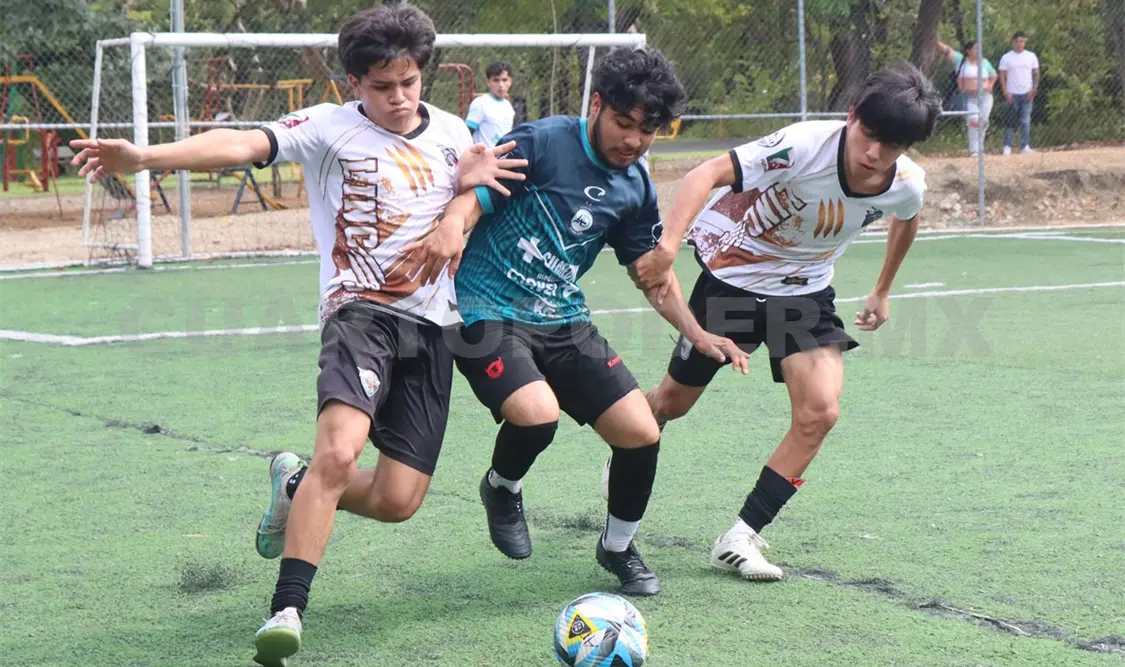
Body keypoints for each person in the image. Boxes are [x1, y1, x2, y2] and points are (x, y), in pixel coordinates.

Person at [71, 4, 526, 666]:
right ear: (352, 84)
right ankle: (287, 607)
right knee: (340, 453)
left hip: (433, 326)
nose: (398, 98)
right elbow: (240, 144)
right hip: (359, 314)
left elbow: (478, 190)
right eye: (380, 86)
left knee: (399, 500)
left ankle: (293, 485)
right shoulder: (326, 128)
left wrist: (461, 207)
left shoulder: (456, 133)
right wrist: (144, 156)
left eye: (408, 82)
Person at [408, 46, 748, 597]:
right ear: (596, 104)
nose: (633, 140)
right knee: (537, 414)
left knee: (641, 432)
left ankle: (617, 548)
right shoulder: (544, 142)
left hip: (562, 319)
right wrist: (454, 224)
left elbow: (653, 275)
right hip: (480, 308)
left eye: (648, 130)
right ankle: (502, 486)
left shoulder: (635, 187)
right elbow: (478, 195)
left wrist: (698, 332)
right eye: (623, 122)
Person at [625, 61, 942, 582]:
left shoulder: (905, 183)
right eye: (869, 135)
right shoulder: (802, 146)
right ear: (852, 115)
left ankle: (741, 536)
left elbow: (907, 220)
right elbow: (703, 175)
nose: (874, 154)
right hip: (735, 282)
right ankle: (631, 438)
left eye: (893, 146)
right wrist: (666, 249)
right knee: (672, 404)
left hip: (804, 294)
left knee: (820, 412)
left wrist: (882, 289)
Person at [937, 39, 997, 156]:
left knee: (983, 122)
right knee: (973, 122)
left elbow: (993, 74)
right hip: (970, 97)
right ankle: (973, 149)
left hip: (985, 96)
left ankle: (980, 149)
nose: (978, 51)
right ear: (969, 51)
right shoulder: (962, 61)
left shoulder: (985, 62)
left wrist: (990, 85)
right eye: (976, 48)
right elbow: (947, 50)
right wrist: (935, 39)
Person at [999, 31, 1040, 155]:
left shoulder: (1031, 56)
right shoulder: (1006, 57)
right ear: (1013, 42)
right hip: (1012, 93)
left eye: (1022, 41)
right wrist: (1005, 91)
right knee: (1010, 120)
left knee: (1025, 120)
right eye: (1017, 41)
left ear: (1025, 42)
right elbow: (1002, 75)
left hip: (1027, 93)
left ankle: (1024, 145)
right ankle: (1007, 146)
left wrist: (1034, 88)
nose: (1019, 44)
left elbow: (1036, 72)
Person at [465, 61, 516, 147]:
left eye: (504, 80)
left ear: (510, 82)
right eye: (496, 80)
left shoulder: (508, 107)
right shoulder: (480, 104)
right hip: (483, 157)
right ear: (488, 82)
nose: (501, 85)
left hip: (503, 157)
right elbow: (466, 134)